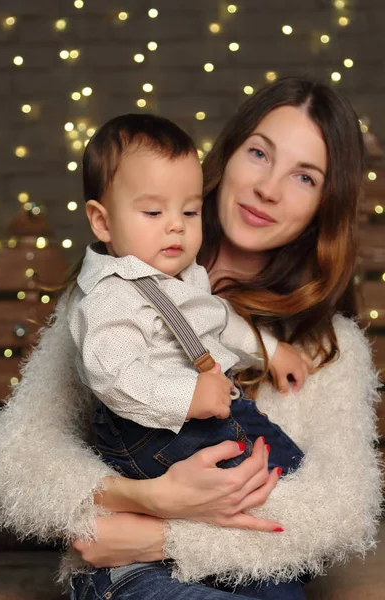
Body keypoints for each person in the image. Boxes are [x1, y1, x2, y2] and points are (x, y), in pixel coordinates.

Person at [0, 76, 385, 599]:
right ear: (228, 155)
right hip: (129, 578)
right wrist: (149, 497)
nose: (269, 188)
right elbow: (15, 465)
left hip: (246, 576)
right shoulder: (116, 288)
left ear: (326, 205)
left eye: (304, 177)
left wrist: (154, 533)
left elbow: (338, 512)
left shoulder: (328, 348)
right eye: (260, 153)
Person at [69, 113, 311, 487]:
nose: (176, 225)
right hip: (149, 431)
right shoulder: (112, 294)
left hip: (207, 408)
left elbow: (222, 320)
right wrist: (186, 396)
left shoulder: (186, 274)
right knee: (273, 479)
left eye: (189, 211)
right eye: (153, 212)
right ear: (102, 222)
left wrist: (271, 350)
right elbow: (113, 377)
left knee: (287, 462)